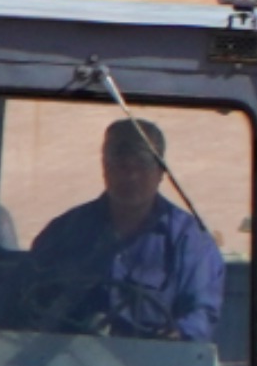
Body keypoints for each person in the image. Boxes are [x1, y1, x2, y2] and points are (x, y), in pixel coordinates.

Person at [13, 113, 228, 345]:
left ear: (161, 172)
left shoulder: (189, 241)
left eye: (142, 165)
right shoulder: (63, 232)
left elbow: (201, 317)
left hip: (150, 364)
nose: (131, 176)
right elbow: (24, 299)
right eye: (121, 165)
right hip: (67, 361)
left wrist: (174, 338)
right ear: (105, 168)